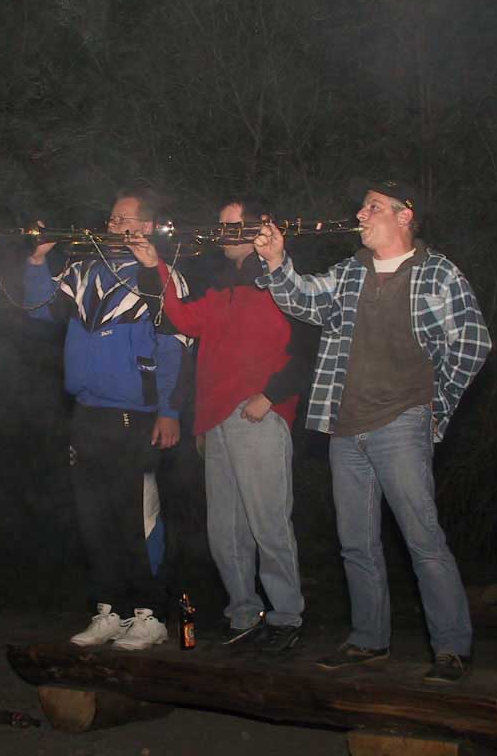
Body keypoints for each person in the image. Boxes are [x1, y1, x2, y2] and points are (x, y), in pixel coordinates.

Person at [252, 180, 491, 683]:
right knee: (356, 544)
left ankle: (451, 648)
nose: (361, 214)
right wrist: (276, 260)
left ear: (405, 217)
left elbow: (472, 342)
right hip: (345, 427)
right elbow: (304, 300)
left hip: (402, 422)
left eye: (373, 207)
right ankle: (369, 640)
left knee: (422, 539)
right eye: (362, 207)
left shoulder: (437, 272)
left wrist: (434, 404)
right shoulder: (351, 271)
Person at [130, 198, 315, 653]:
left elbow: (308, 345)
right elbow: (181, 318)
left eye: (231, 227)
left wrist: (271, 395)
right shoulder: (222, 286)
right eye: (221, 226)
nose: (221, 234)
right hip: (215, 422)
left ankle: (286, 617)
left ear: (259, 228)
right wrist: (155, 266)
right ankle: (244, 616)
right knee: (225, 532)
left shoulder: (282, 279)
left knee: (268, 524)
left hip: (258, 417)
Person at [24, 188, 190, 651]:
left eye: (123, 219)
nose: (112, 225)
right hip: (87, 413)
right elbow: (40, 311)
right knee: (93, 518)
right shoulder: (82, 271)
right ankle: (109, 609)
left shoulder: (161, 276)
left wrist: (169, 410)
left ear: (146, 226)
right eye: (112, 218)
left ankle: (150, 615)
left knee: (137, 517)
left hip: (136, 416)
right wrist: (37, 261)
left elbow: (174, 348)